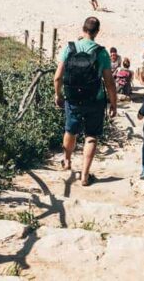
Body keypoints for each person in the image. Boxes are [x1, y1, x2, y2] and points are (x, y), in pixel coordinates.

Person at [54, 17, 118, 186]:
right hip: (94, 100)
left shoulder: (69, 48)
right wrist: (113, 103)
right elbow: (109, 82)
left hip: (73, 98)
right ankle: (84, 176)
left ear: (83, 29)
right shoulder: (101, 52)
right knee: (91, 136)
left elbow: (58, 76)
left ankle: (67, 161)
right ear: (97, 32)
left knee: (70, 130)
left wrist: (58, 95)